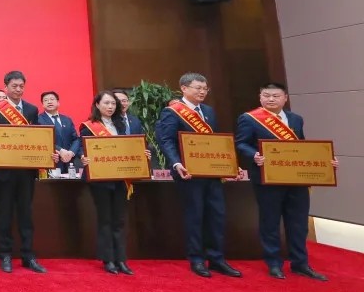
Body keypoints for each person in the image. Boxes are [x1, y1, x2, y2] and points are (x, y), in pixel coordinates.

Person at [235, 82, 338, 281]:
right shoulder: (249, 119)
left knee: (298, 223)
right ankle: (274, 264)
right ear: (260, 97)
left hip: (296, 179)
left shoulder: (296, 119)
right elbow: (241, 143)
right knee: (270, 222)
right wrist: (255, 155)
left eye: (275, 96)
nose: (270, 99)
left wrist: (326, 162)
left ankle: (300, 263)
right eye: (266, 95)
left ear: (285, 98)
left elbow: (303, 147)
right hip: (267, 179)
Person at [155, 72, 242, 278]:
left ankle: (217, 259)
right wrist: (176, 163)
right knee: (195, 216)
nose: (202, 92)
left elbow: (216, 142)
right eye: (198, 88)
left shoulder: (208, 111)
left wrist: (231, 165)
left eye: (205, 89)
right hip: (188, 173)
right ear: (184, 88)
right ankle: (196, 259)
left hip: (212, 172)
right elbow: (166, 141)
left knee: (216, 215)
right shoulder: (172, 112)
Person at [77, 91, 151, 275]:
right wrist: (83, 157)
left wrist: (143, 153)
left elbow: (130, 146)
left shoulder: (121, 124)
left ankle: (121, 260)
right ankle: (108, 259)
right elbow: (82, 148)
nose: (110, 107)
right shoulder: (89, 126)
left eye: (113, 103)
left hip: (120, 178)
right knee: (105, 219)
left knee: (119, 220)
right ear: (97, 105)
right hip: (100, 179)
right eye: (106, 103)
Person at [0, 71, 47, 274]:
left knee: (26, 214)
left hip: (26, 171)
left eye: (21, 86)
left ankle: (28, 256)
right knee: (5, 214)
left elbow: (38, 135)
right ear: (6, 87)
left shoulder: (31, 109)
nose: (18, 90)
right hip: (5, 171)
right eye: (14, 86)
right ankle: (5, 255)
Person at [38, 91, 80, 176]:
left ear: (58, 102)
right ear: (42, 104)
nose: (49, 102)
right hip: (52, 161)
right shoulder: (38, 120)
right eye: (46, 100)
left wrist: (71, 153)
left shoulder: (67, 119)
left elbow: (76, 139)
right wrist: (60, 150)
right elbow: (41, 140)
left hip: (70, 162)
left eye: (52, 99)